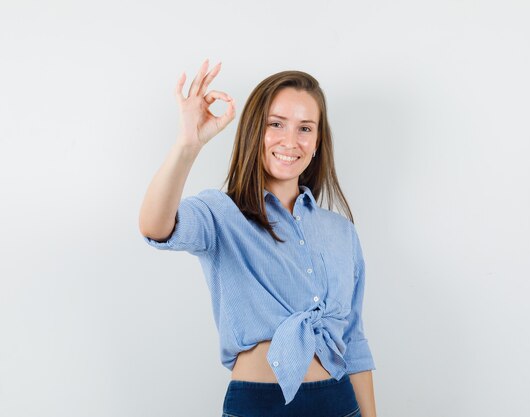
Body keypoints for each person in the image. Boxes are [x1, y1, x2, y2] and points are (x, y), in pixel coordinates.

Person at [139, 58, 377, 417]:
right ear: (255, 131)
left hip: (338, 404)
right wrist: (188, 144)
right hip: (257, 406)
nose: (290, 141)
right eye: (276, 124)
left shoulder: (341, 231)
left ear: (317, 143)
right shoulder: (220, 214)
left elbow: (354, 343)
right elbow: (155, 226)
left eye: (305, 129)